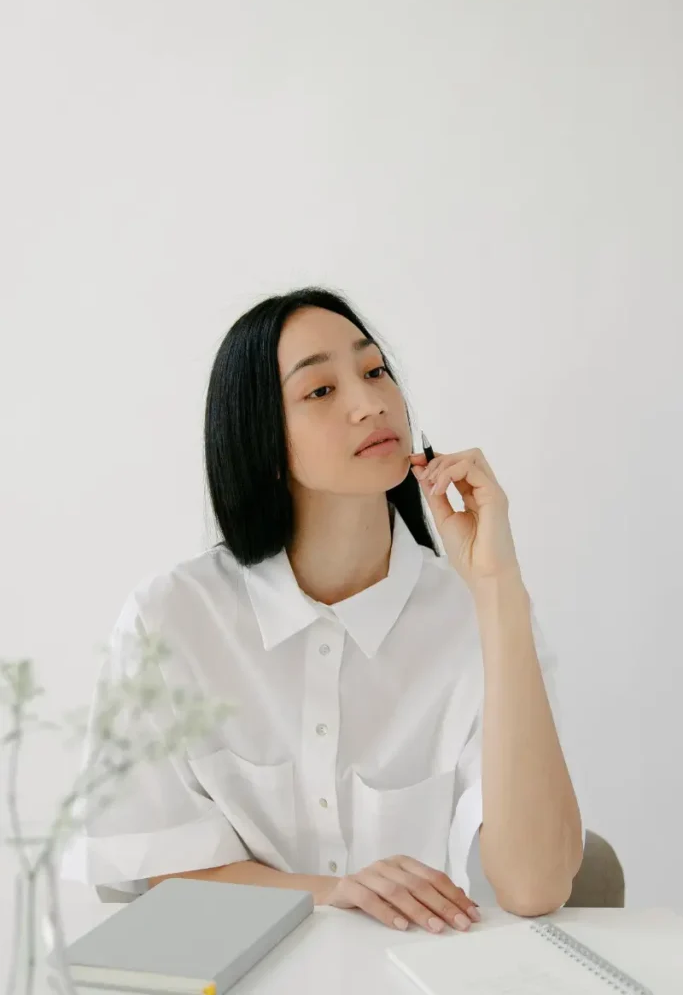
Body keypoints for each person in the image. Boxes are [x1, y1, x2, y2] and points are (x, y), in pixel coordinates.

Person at [60, 287, 584, 934]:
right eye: (320, 391)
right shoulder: (171, 620)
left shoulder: (475, 616)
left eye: (373, 372)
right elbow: (160, 865)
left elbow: (535, 886)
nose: (370, 404)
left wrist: (498, 589)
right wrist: (333, 892)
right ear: (261, 441)